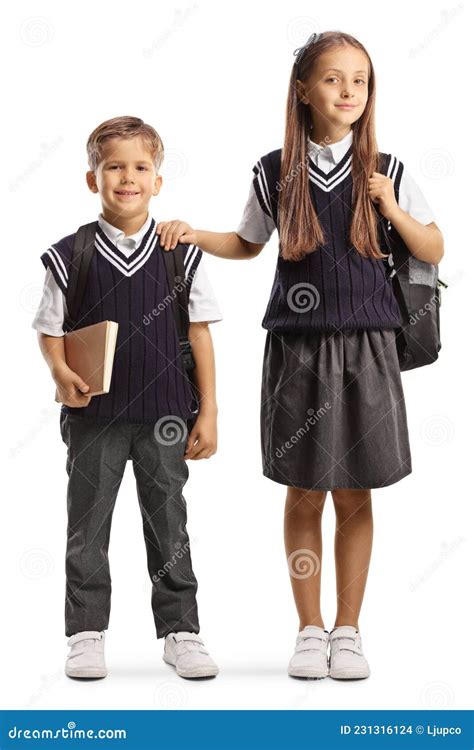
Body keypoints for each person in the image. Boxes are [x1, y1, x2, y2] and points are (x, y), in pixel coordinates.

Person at [155, 31, 444, 680]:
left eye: (361, 81)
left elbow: (433, 248)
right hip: (297, 349)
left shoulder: (387, 171)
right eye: (335, 79)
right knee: (304, 491)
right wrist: (191, 233)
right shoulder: (273, 170)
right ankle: (309, 630)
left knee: (355, 492)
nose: (349, 92)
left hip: (367, 348)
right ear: (302, 90)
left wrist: (391, 207)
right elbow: (246, 241)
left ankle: (349, 631)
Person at [32, 116, 222, 680]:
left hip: (166, 415)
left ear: (158, 181)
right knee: (87, 523)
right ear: (93, 179)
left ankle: (181, 631)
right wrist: (61, 371)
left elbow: (200, 332)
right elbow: (48, 327)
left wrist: (208, 410)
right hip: (96, 417)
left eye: (141, 167)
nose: (127, 177)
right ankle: (86, 632)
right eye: (113, 166)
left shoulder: (179, 255)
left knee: (169, 522)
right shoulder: (71, 255)